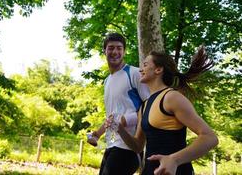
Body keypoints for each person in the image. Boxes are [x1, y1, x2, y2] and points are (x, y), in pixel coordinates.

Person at [116, 46, 219, 175]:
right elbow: (138, 146)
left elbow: (210, 138)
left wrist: (174, 160)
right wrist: (120, 130)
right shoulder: (144, 105)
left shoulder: (171, 97)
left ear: (158, 69)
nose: (140, 69)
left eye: (145, 65)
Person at [88, 32, 149, 175]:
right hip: (111, 144)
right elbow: (113, 117)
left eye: (119, 48)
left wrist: (126, 120)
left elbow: (149, 106)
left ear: (124, 51)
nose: (115, 52)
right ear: (104, 51)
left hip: (129, 147)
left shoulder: (134, 73)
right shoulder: (107, 81)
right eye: (110, 48)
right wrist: (97, 134)